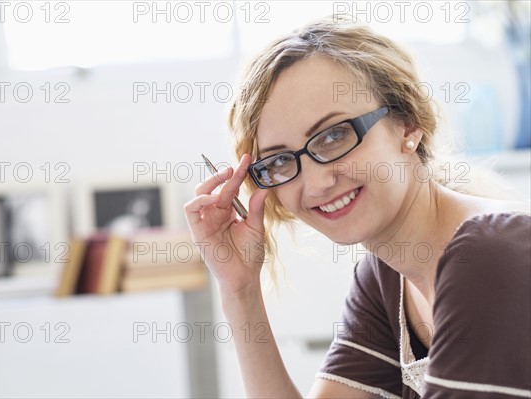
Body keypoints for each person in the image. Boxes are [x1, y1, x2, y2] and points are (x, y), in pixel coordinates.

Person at [184, 15, 531, 399]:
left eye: (334, 135)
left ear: (408, 124)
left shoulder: (486, 257)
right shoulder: (386, 279)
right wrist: (240, 290)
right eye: (280, 160)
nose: (316, 183)